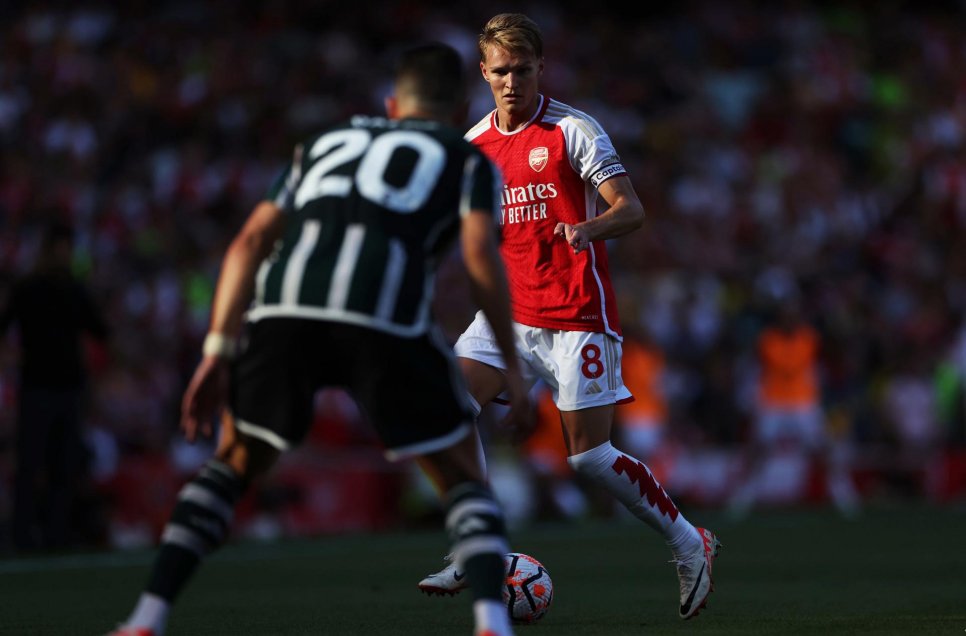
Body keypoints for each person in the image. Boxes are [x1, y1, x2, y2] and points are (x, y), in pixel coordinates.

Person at [107, 43, 530, 636]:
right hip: (384, 320)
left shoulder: (326, 142)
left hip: (283, 314)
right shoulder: (466, 160)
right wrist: (511, 361)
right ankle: (492, 624)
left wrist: (216, 353)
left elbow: (250, 243)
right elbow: (481, 258)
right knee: (461, 473)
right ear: (461, 104)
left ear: (392, 104)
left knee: (232, 465)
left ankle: (145, 618)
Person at [416, 13, 721, 621]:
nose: (511, 82)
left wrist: (586, 228)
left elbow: (631, 210)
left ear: (540, 69)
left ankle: (692, 542)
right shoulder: (475, 145)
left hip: (577, 315)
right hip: (509, 315)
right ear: (483, 72)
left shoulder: (572, 130)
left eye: (522, 71)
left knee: (588, 458)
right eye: (500, 72)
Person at [0, 221, 110, 551]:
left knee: (63, 466)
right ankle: (22, 536)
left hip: (66, 388)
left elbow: (99, 330)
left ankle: (55, 535)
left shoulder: (73, 289)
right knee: (31, 464)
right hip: (38, 388)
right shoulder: (30, 288)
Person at [728, 302, 860, 518]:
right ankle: (743, 498)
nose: (790, 320)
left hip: (803, 401)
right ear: (779, 319)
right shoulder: (767, 340)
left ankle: (843, 496)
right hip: (773, 401)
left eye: (793, 316)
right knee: (759, 449)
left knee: (822, 447)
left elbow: (828, 358)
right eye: (785, 316)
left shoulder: (809, 338)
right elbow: (757, 367)